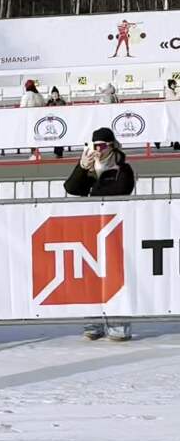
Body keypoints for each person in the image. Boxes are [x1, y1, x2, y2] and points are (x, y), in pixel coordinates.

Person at [64, 127, 135, 341]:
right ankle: (93, 322)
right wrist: (82, 168)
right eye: (94, 146)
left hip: (116, 228)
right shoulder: (90, 168)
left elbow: (121, 189)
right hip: (91, 228)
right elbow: (72, 188)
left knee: (117, 276)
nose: (98, 150)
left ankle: (118, 323)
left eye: (102, 146)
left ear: (111, 146)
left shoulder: (122, 168)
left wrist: (96, 185)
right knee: (91, 275)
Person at [46, 86, 68, 158]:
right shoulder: (49, 102)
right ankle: (56, 151)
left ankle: (59, 152)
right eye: (53, 94)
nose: (54, 95)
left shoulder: (61, 102)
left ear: (58, 94)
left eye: (56, 94)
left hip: (60, 122)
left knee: (60, 137)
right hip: (53, 122)